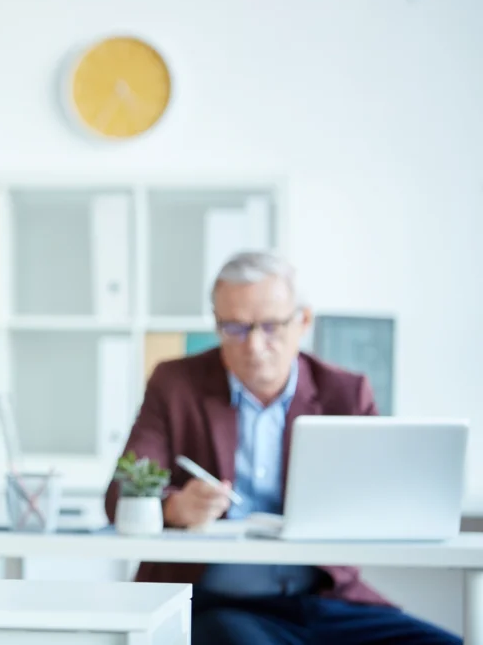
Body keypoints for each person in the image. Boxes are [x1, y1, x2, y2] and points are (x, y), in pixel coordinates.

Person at [104, 251, 459, 645]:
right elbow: (121, 492)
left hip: (326, 600)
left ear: (302, 321)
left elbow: (385, 499)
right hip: (218, 603)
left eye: (271, 326)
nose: (254, 346)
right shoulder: (175, 384)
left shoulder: (346, 392)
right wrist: (173, 507)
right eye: (234, 328)